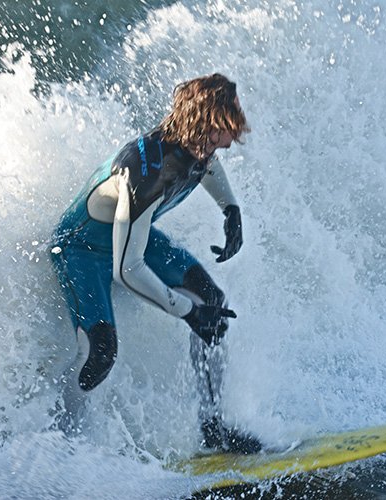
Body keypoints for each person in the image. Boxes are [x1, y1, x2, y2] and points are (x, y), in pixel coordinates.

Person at [49, 73, 261, 454]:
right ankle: (59, 443)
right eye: (220, 133)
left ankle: (213, 428)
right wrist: (186, 313)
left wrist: (230, 208)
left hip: (133, 240)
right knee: (100, 353)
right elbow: (126, 271)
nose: (228, 142)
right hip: (81, 250)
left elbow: (206, 166)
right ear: (201, 124)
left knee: (211, 302)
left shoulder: (195, 148)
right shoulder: (144, 172)